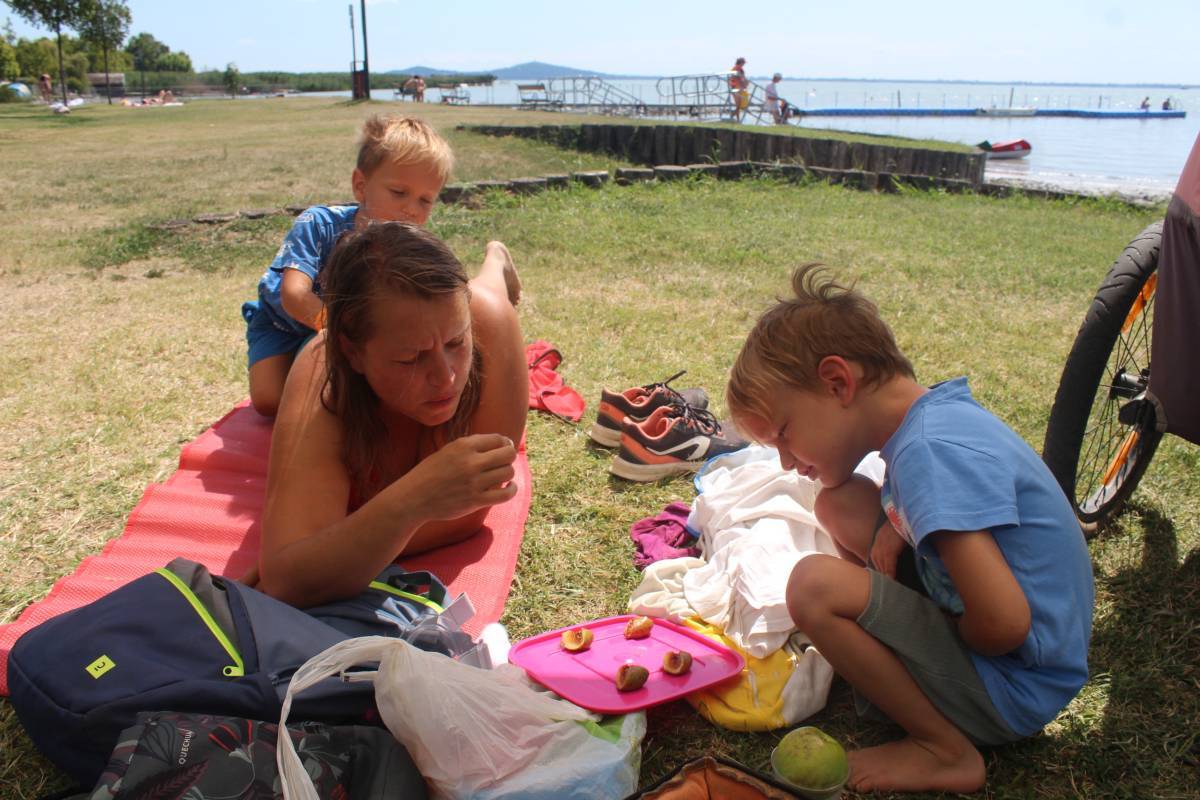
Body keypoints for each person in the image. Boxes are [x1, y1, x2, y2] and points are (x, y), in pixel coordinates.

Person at [725, 265, 1094, 794]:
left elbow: (1004, 623)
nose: (786, 461)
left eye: (784, 435)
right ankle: (889, 663)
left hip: (1011, 685)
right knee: (839, 504)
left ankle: (942, 749)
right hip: (1025, 663)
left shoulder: (927, 454)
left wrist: (938, 633)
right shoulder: (935, 420)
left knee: (813, 586)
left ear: (837, 382)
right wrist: (900, 527)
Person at [253, 222, 526, 607]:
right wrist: (416, 500)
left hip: (481, 306)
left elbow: (469, 514)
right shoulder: (322, 371)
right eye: (409, 359)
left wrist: (348, 540)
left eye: (456, 344)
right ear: (352, 353)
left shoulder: (488, 324)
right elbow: (286, 579)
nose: (446, 377)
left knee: (488, 293)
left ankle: (496, 260)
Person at [241, 114, 453, 417]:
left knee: (337, 395)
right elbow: (294, 295)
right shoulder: (319, 223)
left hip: (340, 333)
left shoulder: (410, 247)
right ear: (360, 185)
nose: (411, 210)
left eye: (425, 201)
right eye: (399, 193)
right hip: (282, 323)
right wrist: (348, 338)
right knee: (270, 402)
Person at [728, 57, 749, 123]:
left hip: (739, 88)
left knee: (739, 105)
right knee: (738, 105)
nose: (744, 64)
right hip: (736, 88)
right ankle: (735, 118)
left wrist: (745, 83)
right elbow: (736, 78)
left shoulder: (739, 69)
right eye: (743, 63)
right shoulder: (735, 69)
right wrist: (744, 83)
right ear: (741, 62)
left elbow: (742, 78)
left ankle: (736, 118)